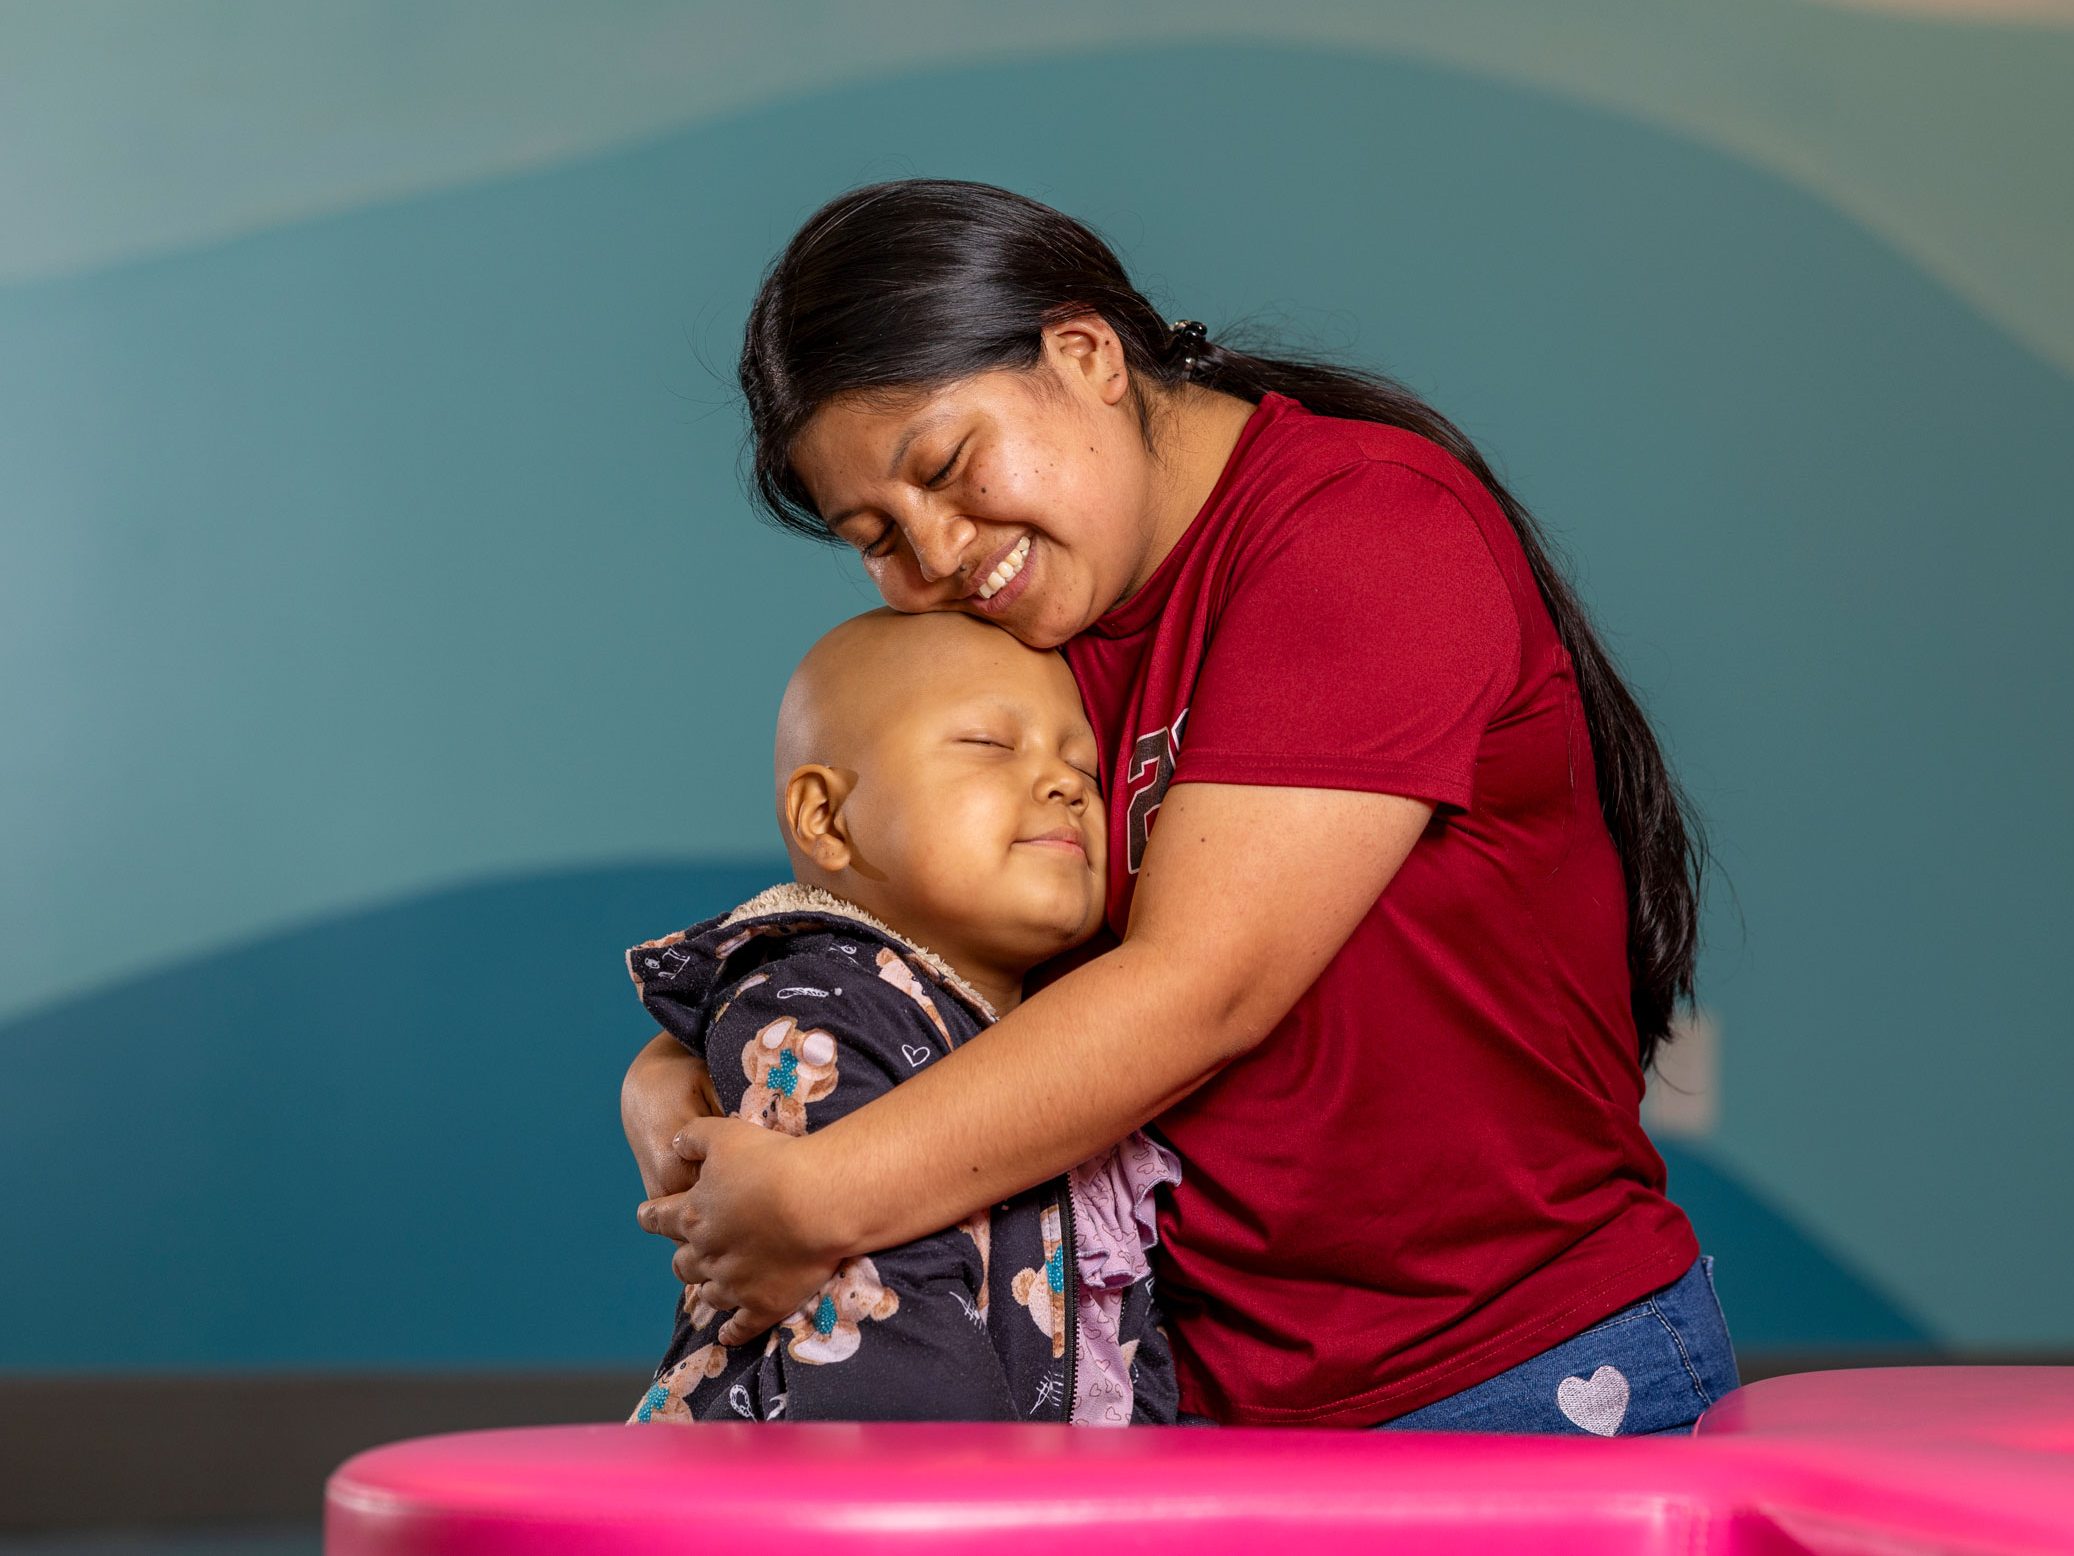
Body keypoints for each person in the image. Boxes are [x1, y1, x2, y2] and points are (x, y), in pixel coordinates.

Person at [623, 179, 1738, 1435]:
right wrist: (677, 1071)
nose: (933, 556)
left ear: (1085, 351)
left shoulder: (1362, 530)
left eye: (945, 467)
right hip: (1187, 1399)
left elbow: (1202, 985)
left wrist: (818, 1194)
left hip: (1505, 1367)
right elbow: (897, 929)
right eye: (875, 531)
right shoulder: (1025, 627)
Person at [627, 608, 1177, 1426]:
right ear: (826, 819)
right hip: (866, 1506)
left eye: (1087, 770)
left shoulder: (1070, 1029)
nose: (1067, 785)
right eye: (992, 744)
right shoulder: (819, 1015)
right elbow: (886, 1340)